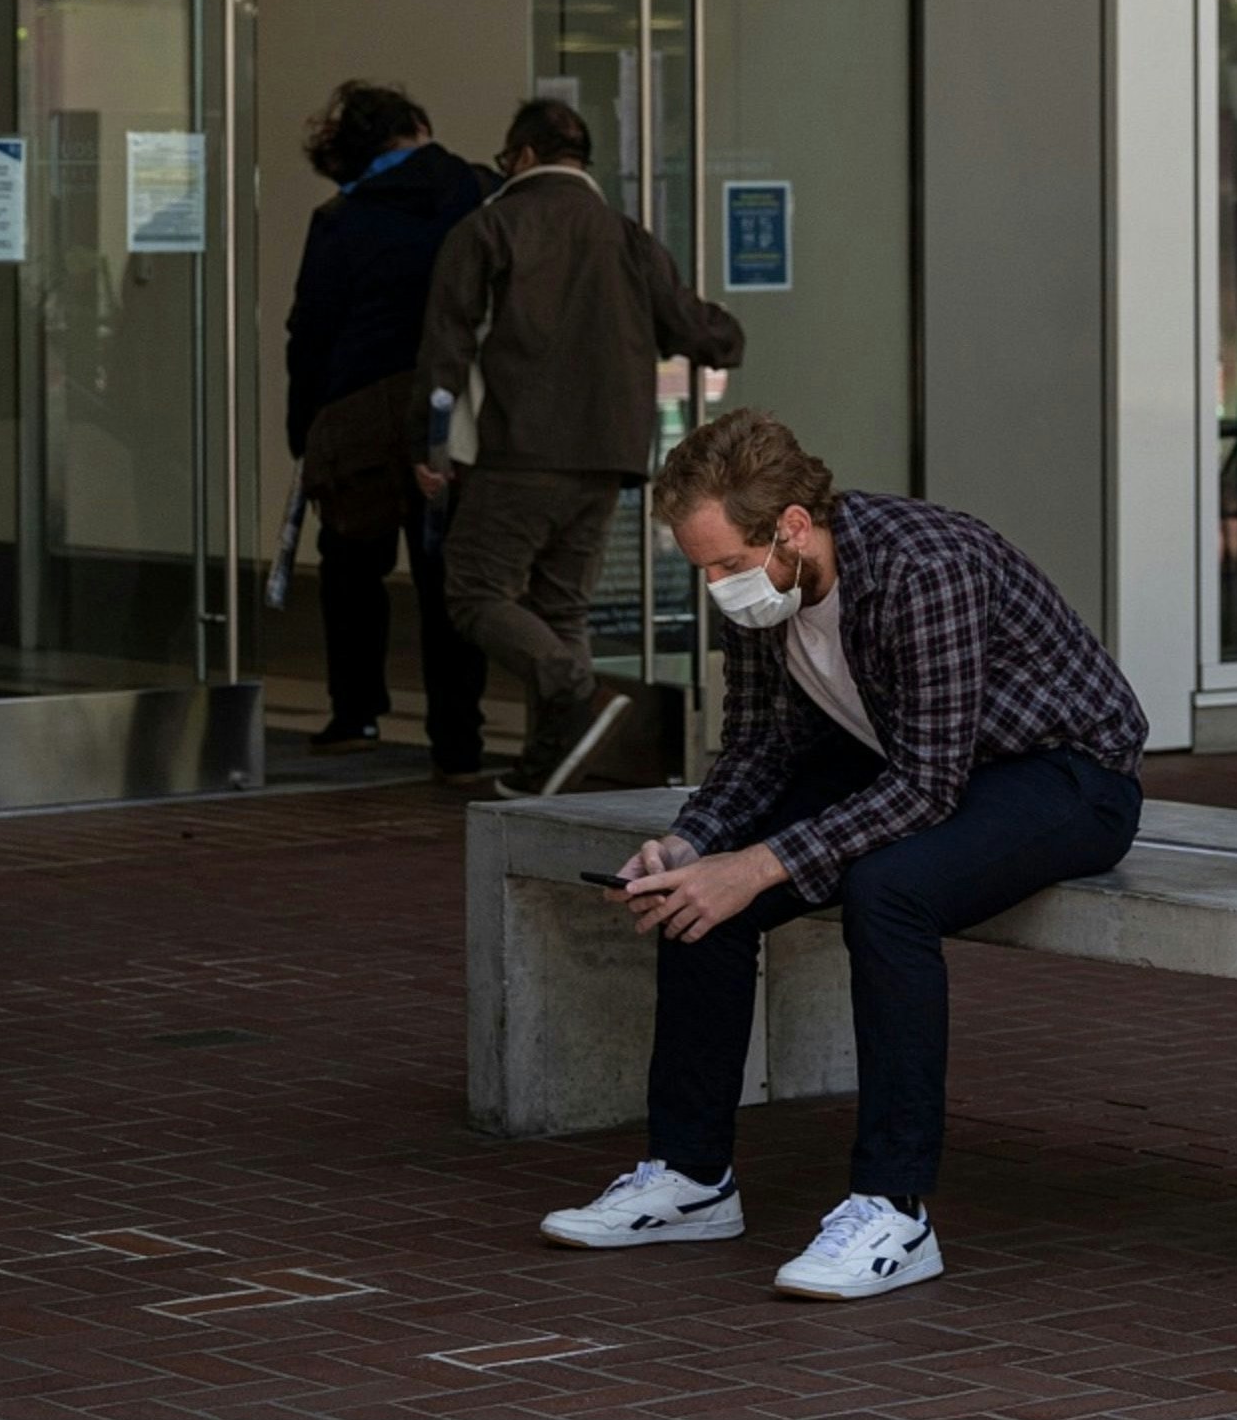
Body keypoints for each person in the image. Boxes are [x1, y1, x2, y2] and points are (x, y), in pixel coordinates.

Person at [537, 408, 1149, 1302]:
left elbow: (929, 788)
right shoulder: (766, 589)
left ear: (791, 525)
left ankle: (894, 1210)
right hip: (908, 752)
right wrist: (690, 843)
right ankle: (690, 1175)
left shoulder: (920, 567)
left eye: (728, 565)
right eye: (701, 567)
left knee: (887, 887)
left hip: (1065, 773)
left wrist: (754, 865)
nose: (717, 587)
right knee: (703, 883)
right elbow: (754, 748)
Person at [415, 98, 742, 795]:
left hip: (518, 451)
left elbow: (445, 349)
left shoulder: (489, 228)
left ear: (524, 156)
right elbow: (698, 329)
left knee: (474, 592)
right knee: (561, 608)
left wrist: (432, 447)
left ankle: (569, 682)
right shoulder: (628, 237)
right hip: (610, 457)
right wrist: (726, 334)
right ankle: (543, 771)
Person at [285, 80, 491, 772]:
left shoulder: (343, 218)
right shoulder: (478, 193)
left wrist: (304, 430)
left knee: (349, 566)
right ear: (420, 124)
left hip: (359, 413)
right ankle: (458, 738)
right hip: (451, 409)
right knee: (444, 575)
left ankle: (357, 711)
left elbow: (311, 331)